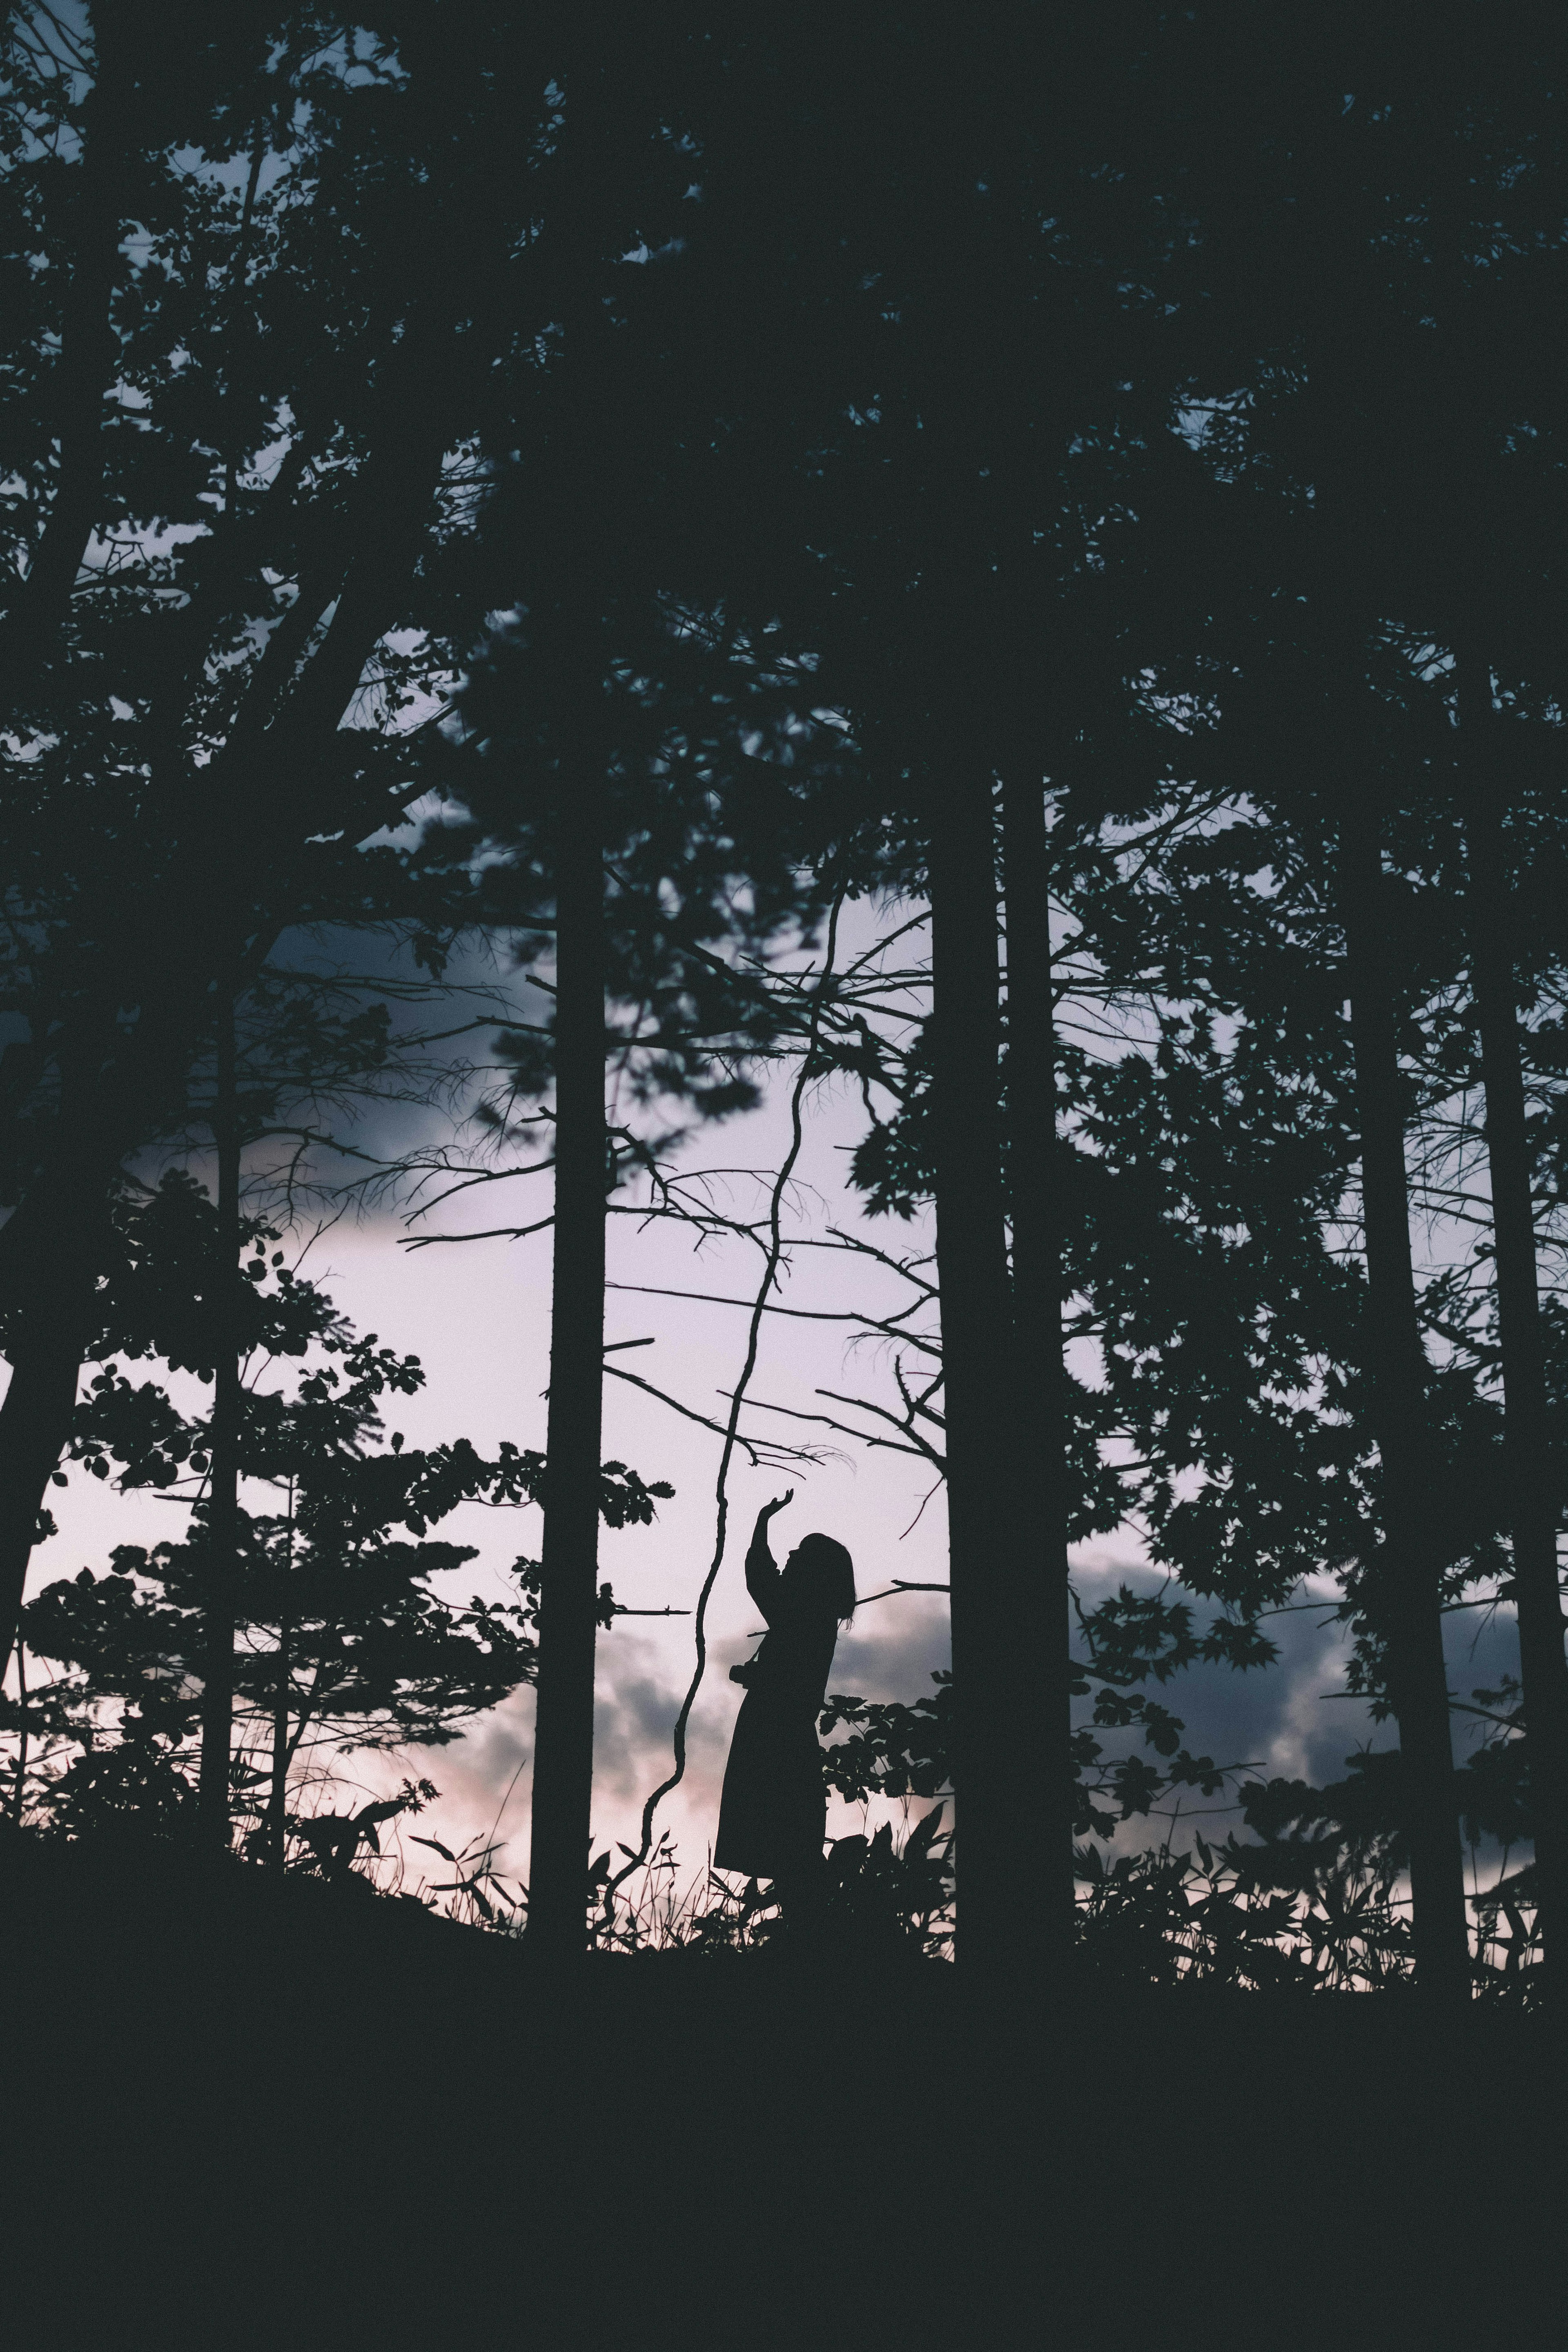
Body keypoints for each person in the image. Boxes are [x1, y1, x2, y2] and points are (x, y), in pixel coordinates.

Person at [714, 1490, 856, 1937]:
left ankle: (807, 1938)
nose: (790, 1557)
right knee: (791, 1841)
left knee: (783, 1839)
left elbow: (761, 1577)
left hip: (775, 1737)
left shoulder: (803, 1613)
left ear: (812, 1572)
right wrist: (754, 1677)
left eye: (799, 1554)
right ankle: (808, 1933)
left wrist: (761, 1521)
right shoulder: (813, 1617)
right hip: (786, 1735)